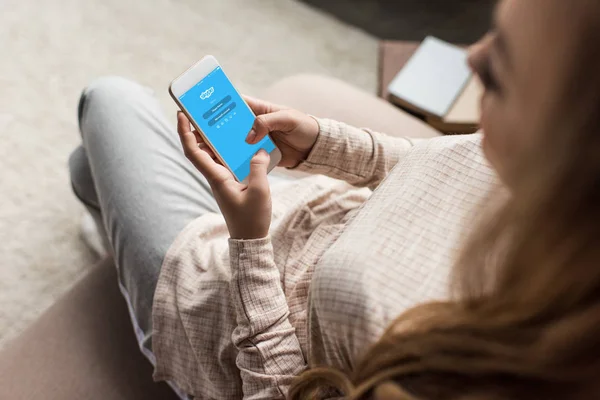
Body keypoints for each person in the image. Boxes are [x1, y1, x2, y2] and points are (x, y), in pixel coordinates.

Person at [68, 0, 600, 398]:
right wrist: (322, 143)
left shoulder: (478, 368)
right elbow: (435, 166)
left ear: (568, 149)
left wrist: (248, 240)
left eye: (498, 69)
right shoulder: (550, 189)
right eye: (491, 34)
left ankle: (138, 298)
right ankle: (112, 230)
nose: (471, 59)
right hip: (307, 212)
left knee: (108, 99)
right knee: (88, 167)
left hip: (226, 309)